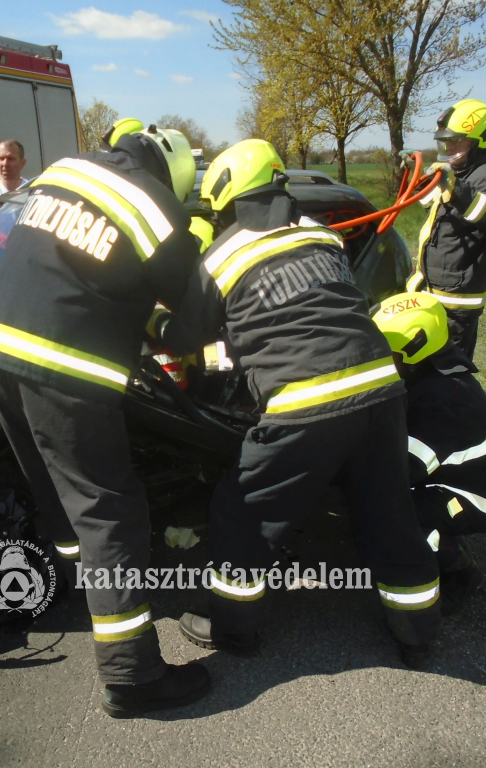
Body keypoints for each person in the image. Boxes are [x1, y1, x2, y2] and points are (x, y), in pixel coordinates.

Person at [149, 139, 442, 669]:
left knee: (242, 511)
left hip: (306, 403)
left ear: (226, 196)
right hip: (380, 388)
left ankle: (231, 628)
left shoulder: (224, 254)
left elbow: (189, 335)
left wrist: (156, 324)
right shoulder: (321, 235)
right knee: (388, 513)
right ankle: (417, 633)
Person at [0, 120, 209, 717]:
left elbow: (75, 267)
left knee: (59, 497)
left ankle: (95, 600)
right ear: (170, 176)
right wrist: (165, 327)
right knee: (109, 509)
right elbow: (199, 316)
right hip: (62, 368)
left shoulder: (65, 170)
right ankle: (132, 676)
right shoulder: (154, 205)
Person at [372, 291, 486, 614]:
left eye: (386, 352)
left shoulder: (446, 398)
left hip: (473, 498)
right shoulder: (428, 377)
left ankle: (457, 571)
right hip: (444, 478)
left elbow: (403, 466)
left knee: (390, 512)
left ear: (414, 348)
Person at [404, 99, 486, 359]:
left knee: (449, 376)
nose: (450, 148)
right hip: (435, 291)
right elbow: (434, 204)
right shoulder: (462, 173)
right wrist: (417, 177)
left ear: (480, 140)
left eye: (457, 141)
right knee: (425, 370)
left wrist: (457, 188)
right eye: (446, 142)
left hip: (455, 300)